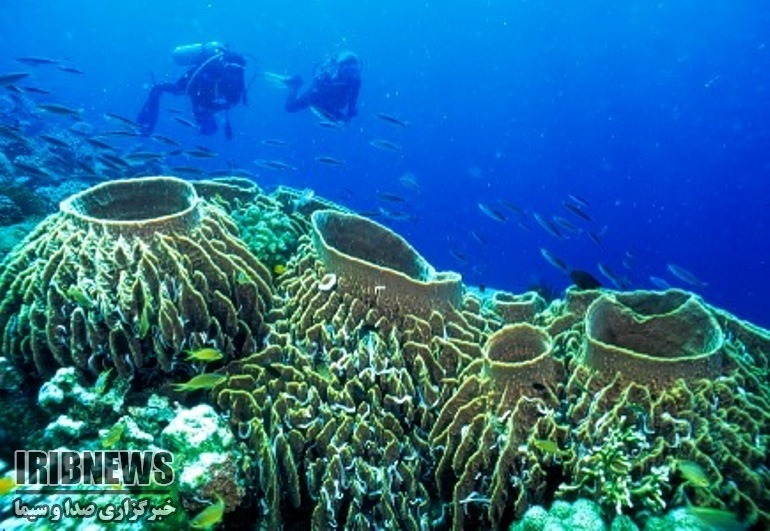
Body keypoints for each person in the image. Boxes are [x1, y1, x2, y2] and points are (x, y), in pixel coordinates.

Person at [137, 41, 247, 139]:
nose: (234, 74)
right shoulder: (214, 70)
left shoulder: (238, 80)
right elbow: (199, 91)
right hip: (194, 86)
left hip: (203, 94)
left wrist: (216, 107)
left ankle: (145, 125)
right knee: (207, 126)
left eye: (237, 71)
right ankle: (145, 124)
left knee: (208, 130)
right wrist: (212, 107)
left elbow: (232, 102)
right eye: (232, 70)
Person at [284, 51, 361, 123]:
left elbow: (354, 98)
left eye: (354, 70)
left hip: (333, 105)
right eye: (347, 69)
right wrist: (339, 117)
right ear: (340, 68)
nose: (351, 74)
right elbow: (321, 105)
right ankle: (295, 84)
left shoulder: (356, 80)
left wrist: (351, 110)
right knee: (290, 107)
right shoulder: (329, 82)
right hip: (316, 98)